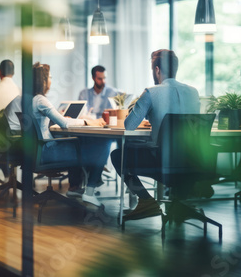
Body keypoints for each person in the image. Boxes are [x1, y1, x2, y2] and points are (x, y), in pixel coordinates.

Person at [110, 49, 200, 219]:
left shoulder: (151, 92)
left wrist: (144, 111)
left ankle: (146, 201)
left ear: (157, 70)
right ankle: (178, 202)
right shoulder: (193, 92)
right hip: (192, 160)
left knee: (118, 155)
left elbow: (129, 125)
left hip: (162, 162)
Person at [32, 62, 109, 207]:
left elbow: (49, 124)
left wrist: (68, 119)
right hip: (48, 153)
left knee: (80, 143)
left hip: (38, 151)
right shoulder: (41, 100)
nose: (51, 80)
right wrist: (87, 122)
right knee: (102, 145)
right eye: (50, 77)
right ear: (43, 81)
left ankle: (76, 187)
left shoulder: (30, 100)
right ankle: (90, 190)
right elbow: (65, 125)